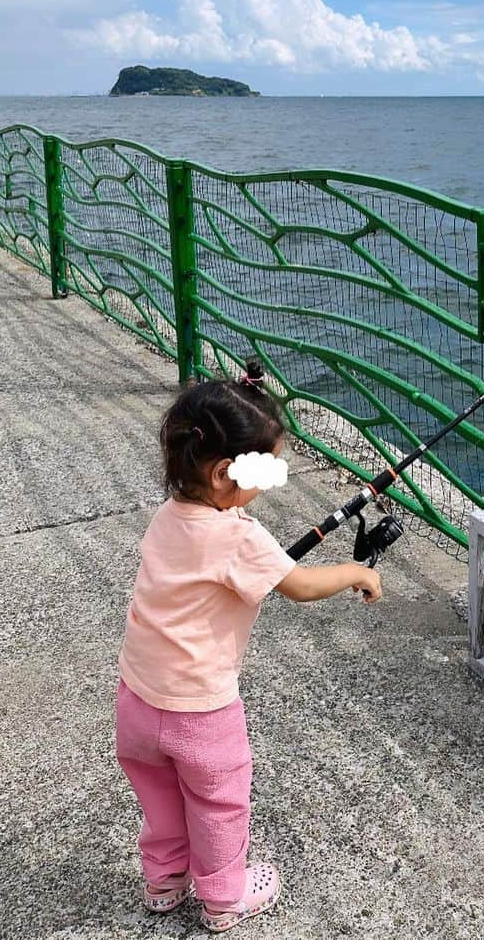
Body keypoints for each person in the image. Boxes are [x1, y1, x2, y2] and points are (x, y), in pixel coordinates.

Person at [115, 360, 381, 932]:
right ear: (221, 475)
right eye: (267, 467)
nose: (274, 478)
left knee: (161, 800)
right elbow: (303, 587)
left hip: (136, 700)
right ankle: (224, 898)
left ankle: (164, 883)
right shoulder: (240, 534)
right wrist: (358, 572)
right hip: (201, 710)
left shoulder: (166, 517)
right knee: (218, 805)